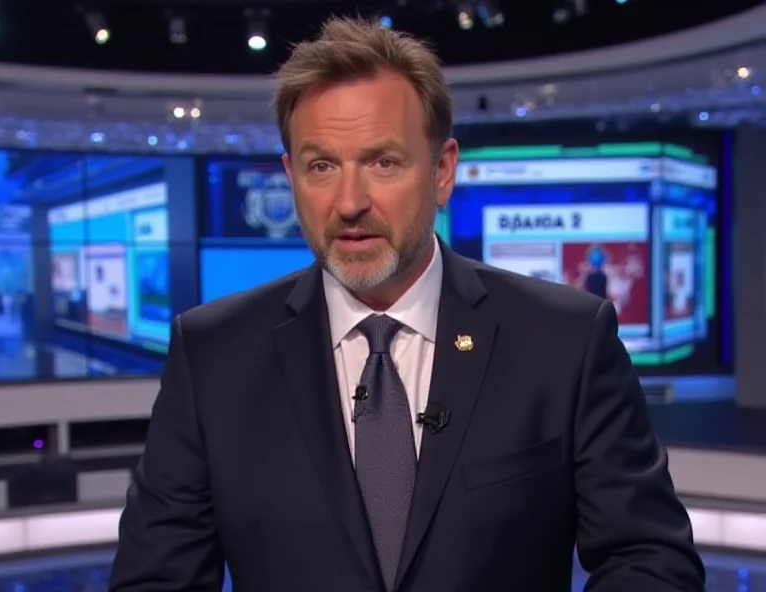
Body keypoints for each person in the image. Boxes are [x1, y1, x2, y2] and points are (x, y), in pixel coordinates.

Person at [109, 16, 705, 592]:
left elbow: (649, 558)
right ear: (291, 176)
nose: (349, 201)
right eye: (322, 166)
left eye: (382, 162)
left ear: (442, 171)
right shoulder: (214, 356)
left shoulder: (565, 341)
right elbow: (155, 579)